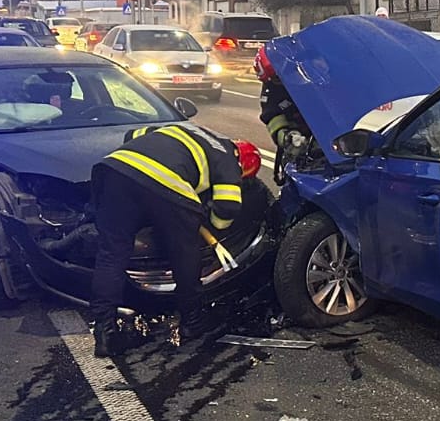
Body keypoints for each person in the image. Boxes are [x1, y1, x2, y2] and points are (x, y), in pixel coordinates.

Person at [87, 122, 253, 356]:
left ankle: (105, 334)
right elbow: (227, 207)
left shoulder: (186, 129)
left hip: (113, 171)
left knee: (111, 255)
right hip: (165, 182)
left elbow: (132, 135)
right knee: (185, 253)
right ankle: (192, 323)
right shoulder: (227, 157)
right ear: (241, 160)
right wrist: (212, 227)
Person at [255, 46, 308, 184]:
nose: (280, 81)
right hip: (302, 140)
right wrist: (288, 137)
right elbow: (272, 118)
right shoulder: (271, 93)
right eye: (275, 79)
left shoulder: (309, 75)